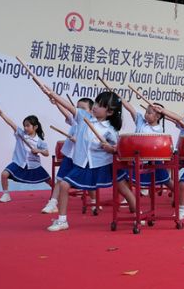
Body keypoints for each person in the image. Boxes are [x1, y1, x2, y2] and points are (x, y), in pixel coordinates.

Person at [40, 89, 136, 232]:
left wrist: (111, 148)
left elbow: (118, 148)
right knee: (65, 185)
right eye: (96, 103)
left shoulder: (110, 130)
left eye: (100, 105)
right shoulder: (84, 117)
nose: (95, 106)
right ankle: (62, 221)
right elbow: (69, 107)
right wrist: (51, 93)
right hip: (84, 164)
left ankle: (136, 214)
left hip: (105, 165)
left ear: (109, 112)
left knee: (124, 189)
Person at [40, 97, 94, 214]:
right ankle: (53, 203)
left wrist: (78, 140)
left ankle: (94, 201)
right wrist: (57, 103)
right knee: (60, 179)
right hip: (70, 155)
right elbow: (66, 112)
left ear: (91, 111)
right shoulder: (75, 121)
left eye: (83, 108)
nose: (79, 110)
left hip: (82, 157)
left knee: (88, 182)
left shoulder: (92, 124)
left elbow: (91, 141)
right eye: (78, 108)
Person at [0, 109, 50, 203]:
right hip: (19, 162)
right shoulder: (21, 134)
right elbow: (11, 124)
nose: (25, 128)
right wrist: (2, 114)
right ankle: (6, 194)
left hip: (34, 165)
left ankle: (57, 194)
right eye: (24, 125)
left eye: (28, 126)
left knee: (49, 181)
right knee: (4, 174)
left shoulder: (39, 141)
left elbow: (47, 153)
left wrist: (38, 150)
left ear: (35, 127)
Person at [121, 98, 174, 194]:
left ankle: (181, 195)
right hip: (137, 159)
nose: (146, 114)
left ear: (157, 116)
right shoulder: (140, 122)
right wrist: (121, 99)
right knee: (126, 177)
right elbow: (131, 109)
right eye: (146, 111)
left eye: (149, 113)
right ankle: (129, 197)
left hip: (153, 161)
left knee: (166, 180)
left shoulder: (159, 130)